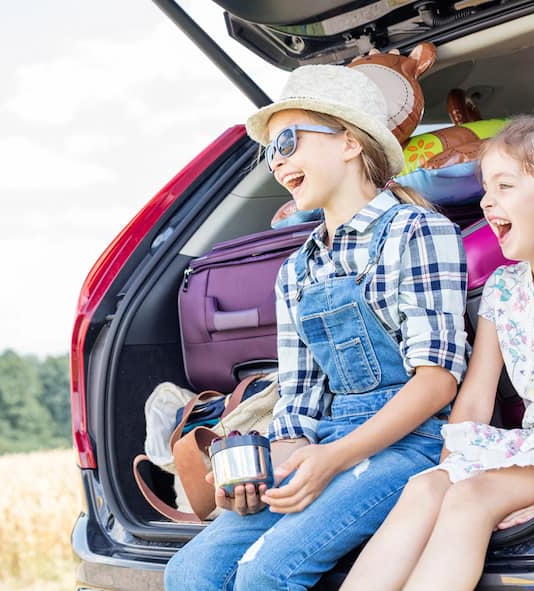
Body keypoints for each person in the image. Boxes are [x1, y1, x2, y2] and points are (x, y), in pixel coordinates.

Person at [164, 64, 469, 591]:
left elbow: (437, 381)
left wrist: (331, 459)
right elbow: (301, 401)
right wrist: (265, 469)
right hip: (329, 440)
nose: (277, 160)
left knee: (267, 574)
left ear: (350, 142)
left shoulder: (416, 230)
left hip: (412, 446)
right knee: (189, 572)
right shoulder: (296, 269)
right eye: (270, 151)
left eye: (287, 140)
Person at [341, 112, 534, 591]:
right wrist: (450, 464)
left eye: (505, 186)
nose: (487, 200)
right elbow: (477, 394)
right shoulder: (503, 290)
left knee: (472, 498)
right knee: (426, 488)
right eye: (485, 187)